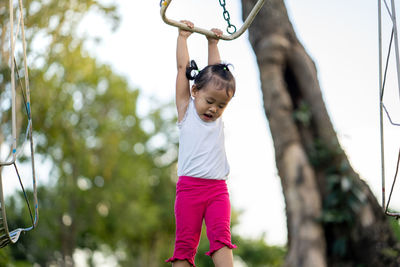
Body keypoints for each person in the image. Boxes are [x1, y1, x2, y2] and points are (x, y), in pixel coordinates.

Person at [166, 20, 237, 267]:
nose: (214, 109)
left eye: (221, 105)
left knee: (221, 238)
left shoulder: (216, 119)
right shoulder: (186, 111)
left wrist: (213, 42)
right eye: (210, 101)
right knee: (185, 245)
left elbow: (216, 73)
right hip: (189, 191)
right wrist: (183, 38)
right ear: (195, 91)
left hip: (217, 190)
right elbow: (181, 68)